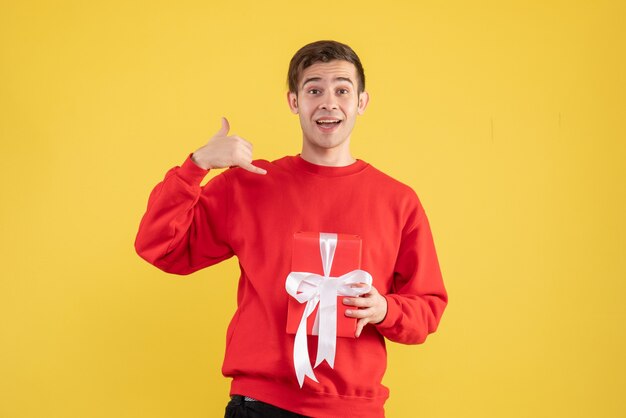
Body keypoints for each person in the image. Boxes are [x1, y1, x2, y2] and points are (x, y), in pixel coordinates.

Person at [134, 40, 448, 418]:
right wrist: (196, 165)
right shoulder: (250, 185)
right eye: (313, 89)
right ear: (294, 102)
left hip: (355, 409)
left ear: (361, 102)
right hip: (262, 405)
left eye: (342, 90)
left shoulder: (398, 201)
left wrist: (385, 309)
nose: (328, 102)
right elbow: (160, 246)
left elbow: (427, 306)